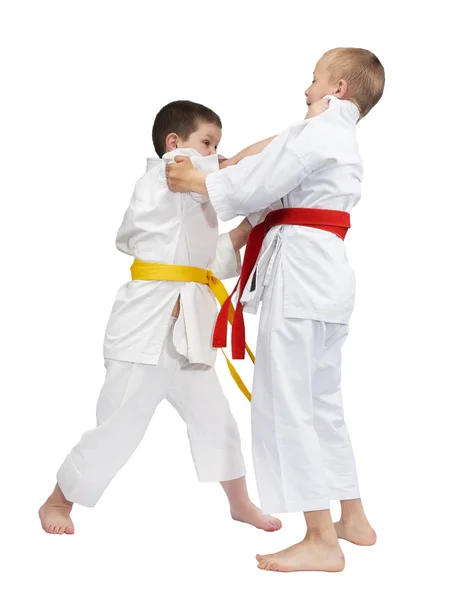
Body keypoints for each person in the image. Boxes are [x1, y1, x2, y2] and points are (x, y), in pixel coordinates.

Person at [166, 48, 385, 572]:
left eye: (315, 79)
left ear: (339, 91)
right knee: (321, 401)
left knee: (287, 403)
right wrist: (227, 161)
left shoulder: (319, 133)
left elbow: (254, 187)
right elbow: (276, 149)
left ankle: (319, 539)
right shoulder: (331, 134)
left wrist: (201, 180)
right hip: (326, 280)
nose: (306, 87)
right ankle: (351, 517)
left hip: (301, 281)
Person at [39, 100, 283, 535]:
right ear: (175, 144)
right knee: (119, 424)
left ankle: (240, 502)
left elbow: (208, 260)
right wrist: (288, 143)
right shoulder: (168, 176)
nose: (215, 154)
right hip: (146, 332)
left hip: (190, 329)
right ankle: (58, 500)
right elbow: (225, 174)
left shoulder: (194, 194)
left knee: (217, 421)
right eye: (207, 143)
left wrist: (250, 225)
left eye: (217, 146)